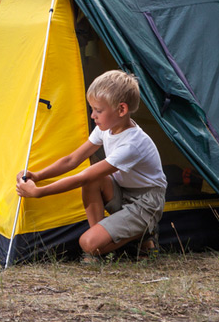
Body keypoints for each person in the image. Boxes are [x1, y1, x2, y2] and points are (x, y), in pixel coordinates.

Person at [16, 70, 167, 258]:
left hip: (146, 201)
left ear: (121, 110)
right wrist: (38, 175)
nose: (93, 115)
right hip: (123, 190)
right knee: (93, 179)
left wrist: (39, 193)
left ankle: (143, 234)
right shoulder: (107, 128)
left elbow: (82, 177)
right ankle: (102, 240)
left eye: (98, 110)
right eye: (92, 109)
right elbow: (72, 160)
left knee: (87, 243)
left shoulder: (132, 145)